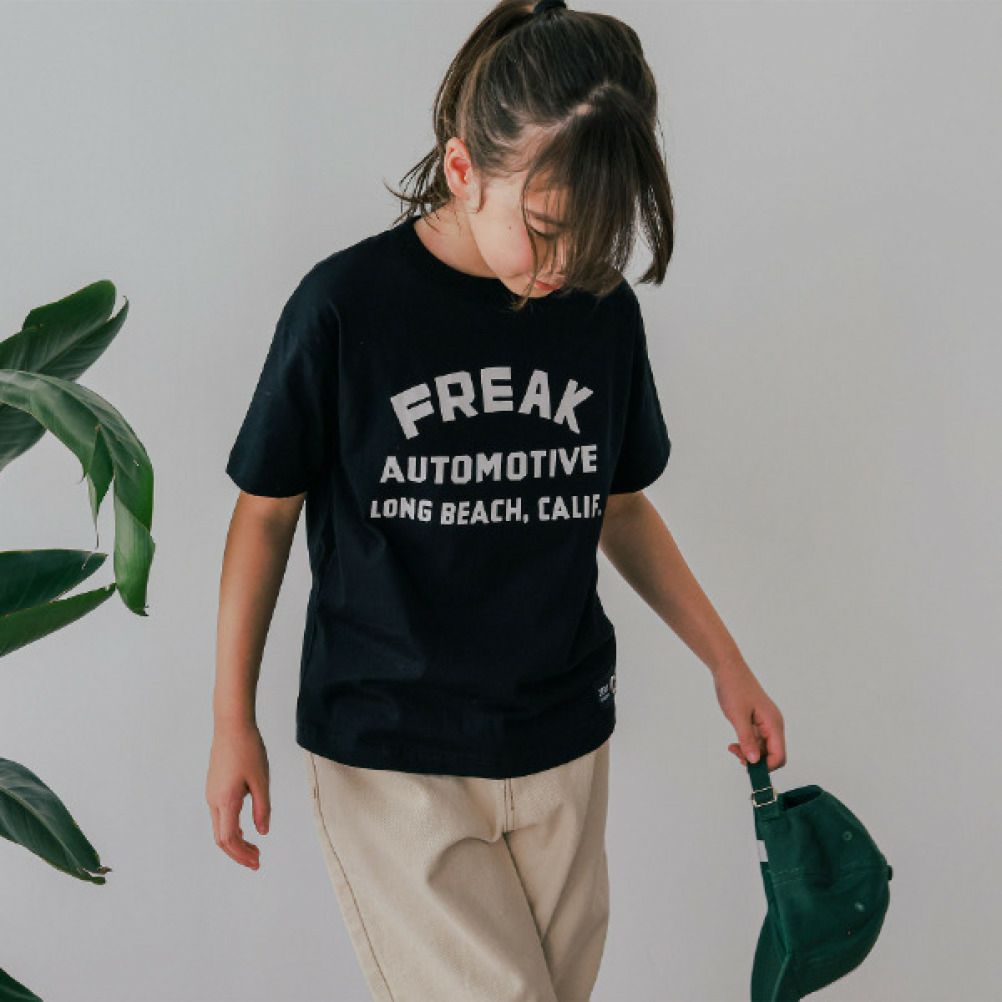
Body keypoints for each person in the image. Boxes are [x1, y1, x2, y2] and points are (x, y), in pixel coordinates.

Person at [206, 1, 787, 1000]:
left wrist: (726, 662)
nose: (565, 266)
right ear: (464, 168)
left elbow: (620, 507)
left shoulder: (600, 312)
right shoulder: (346, 309)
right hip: (395, 753)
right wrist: (232, 719)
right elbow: (264, 513)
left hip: (563, 740)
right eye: (547, 231)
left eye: (595, 238)